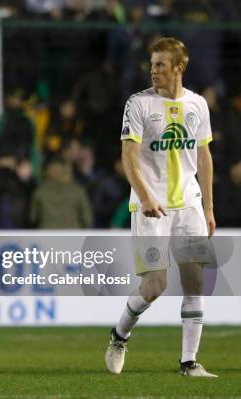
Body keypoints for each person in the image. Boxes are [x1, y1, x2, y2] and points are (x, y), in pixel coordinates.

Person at [105, 37, 217, 378]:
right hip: (150, 206)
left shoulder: (198, 105)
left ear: (178, 68)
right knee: (154, 286)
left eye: (160, 65)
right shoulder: (138, 104)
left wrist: (209, 208)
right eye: (152, 65)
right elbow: (128, 155)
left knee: (196, 282)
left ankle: (189, 362)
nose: (153, 71)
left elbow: (204, 155)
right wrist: (146, 195)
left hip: (189, 206)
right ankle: (119, 334)